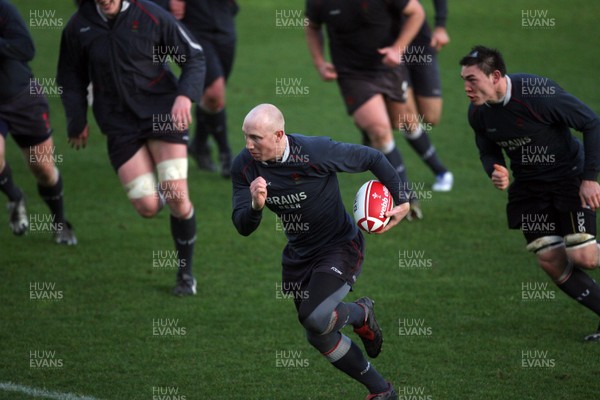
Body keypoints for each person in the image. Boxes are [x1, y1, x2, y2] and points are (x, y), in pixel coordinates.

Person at [232, 103, 410, 399]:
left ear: (278, 135)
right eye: (245, 137)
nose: (248, 145)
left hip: (339, 246)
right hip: (299, 254)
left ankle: (360, 313)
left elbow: (372, 157)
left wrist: (401, 198)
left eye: (255, 138)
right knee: (318, 334)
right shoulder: (245, 166)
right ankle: (381, 391)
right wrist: (255, 207)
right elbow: (242, 225)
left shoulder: (315, 152)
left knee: (314, 317)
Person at [57, 0, 205, 296]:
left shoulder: (151, 15)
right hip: (119, 124)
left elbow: (194, 56)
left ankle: (186, 274)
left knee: (177, 196)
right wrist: (76, 120)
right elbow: (70, 79)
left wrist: (184, 97)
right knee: (148, 207)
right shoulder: (78, 26)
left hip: (163, 113)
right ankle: (167, 184)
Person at [460, 45, 600, 341]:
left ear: (495, 76)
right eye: (464, 80)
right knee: (550, 259)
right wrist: (495, 170)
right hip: (529, 189)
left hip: (568, 179)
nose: (466, 87)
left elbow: (591, 122)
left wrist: (590, 178)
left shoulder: (538, 94)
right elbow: (488, 151)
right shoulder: (478, 114)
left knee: (584, 256)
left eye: (472, 80)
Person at [304, 0, 451, 220]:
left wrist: (397, 48)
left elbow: (416, 12)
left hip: (389, 67)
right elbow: (311, 25)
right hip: (352, 74)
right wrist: (319, 62)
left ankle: (440, 170)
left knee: (407, 122)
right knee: (380, 130)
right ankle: (406, 197)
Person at [0, 0, 76, 245]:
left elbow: (26, 48)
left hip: (23, 99)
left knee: (43, 169)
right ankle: (15, 196)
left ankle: (60, 222)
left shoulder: (3, 9)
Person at [155, 0, 238, 178]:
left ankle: (199, 145)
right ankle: (226, 154)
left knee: (211, 96)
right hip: (193, 25)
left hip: (224, 21)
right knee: (215, 92)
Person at [400, 0, 453, 192]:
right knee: (407, 118)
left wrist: (440, 26)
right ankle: (440, 171)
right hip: (390, 49)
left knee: (431, 117)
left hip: (419, 41)